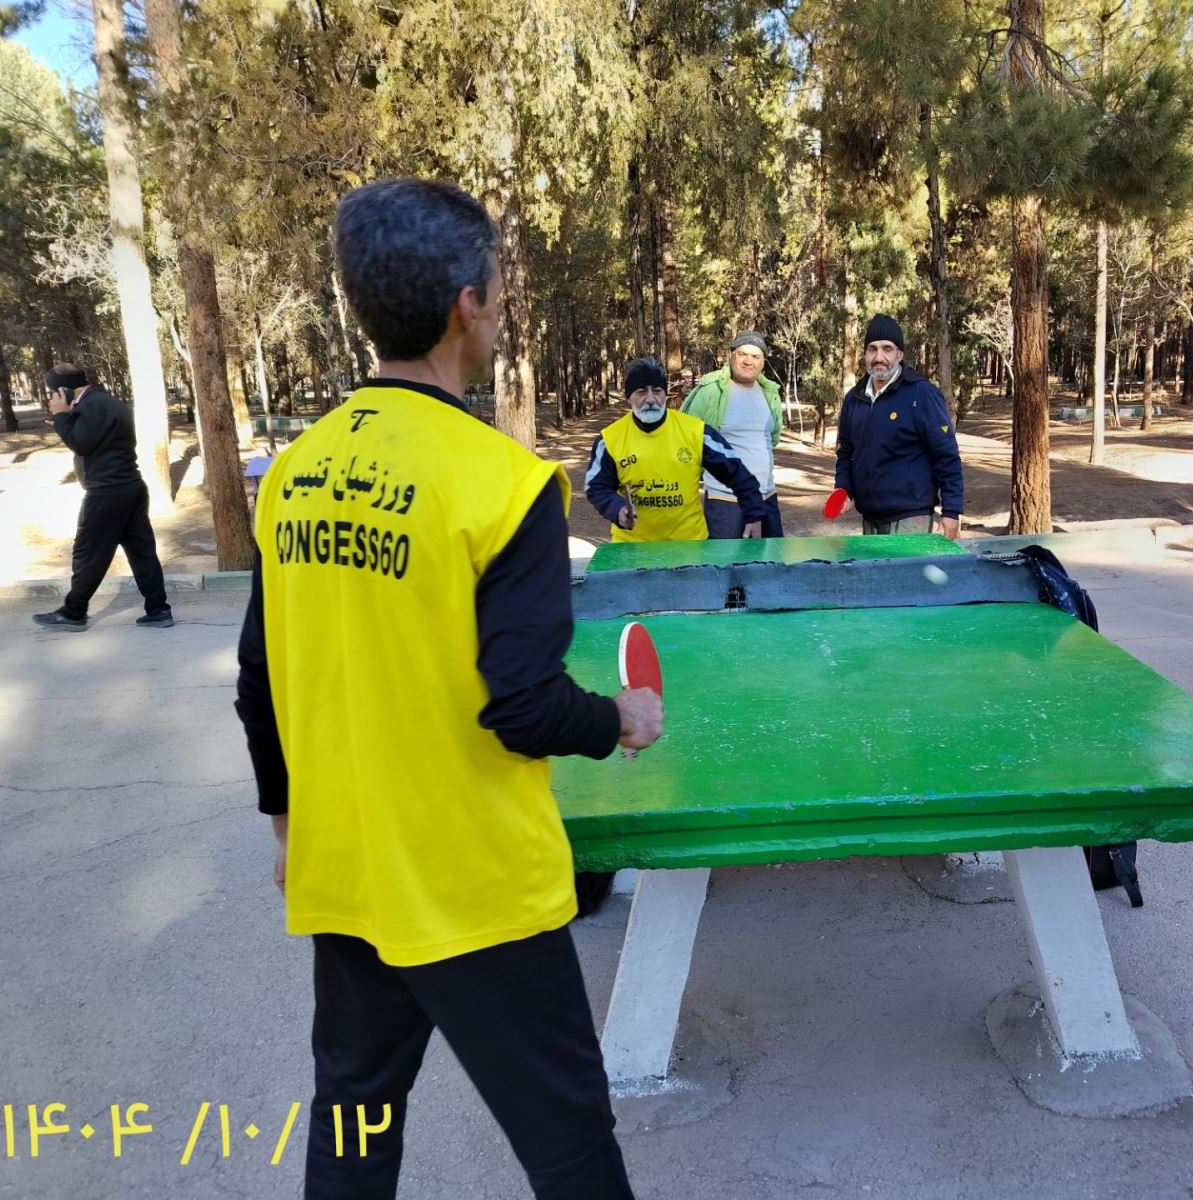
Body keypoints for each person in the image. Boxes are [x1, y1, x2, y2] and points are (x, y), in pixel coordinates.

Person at [234, 178, 660, 1200]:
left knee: (354, 1121)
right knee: (569, 1144)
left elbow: (258, 680)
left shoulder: (295, 474)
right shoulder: (502, 484)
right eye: (500, 282)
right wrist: (620, 719)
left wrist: (292, 831)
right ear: (469, 302)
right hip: (476, 887)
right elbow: (521, 707)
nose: (503, 301)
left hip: (348, 871)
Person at [31, 365, 172, 631]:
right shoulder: (106, 402)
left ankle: (74, 613)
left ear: (65, 390)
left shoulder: (93, 406)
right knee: (142, 554)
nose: (52, 399)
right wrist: (65, 421)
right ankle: (159, 610)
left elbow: (80, 443)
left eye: (54, 393)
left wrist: (61, 417)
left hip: (107, 492)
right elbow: (96, 439)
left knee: (88, 554)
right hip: (130, 487)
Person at [584, 356, 765, 542]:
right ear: (628, 396)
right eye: (641, 392)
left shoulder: (696, 432)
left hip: (689, 545)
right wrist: (617, 509)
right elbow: (596, 487)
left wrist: (754, 513)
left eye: (657, 391)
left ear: (665, 393)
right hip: (631, 547)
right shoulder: (610, 439)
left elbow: (737, 472)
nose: (650, 399)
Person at [834, 314, 963, 537]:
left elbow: (946, 455)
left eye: (887, 349)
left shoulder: (921, 394)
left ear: (900, 354)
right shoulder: (854, 399)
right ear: (865, 354)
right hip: (870, 518)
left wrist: (951, 511)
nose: (879, 357)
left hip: (911, 518)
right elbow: (846, 453)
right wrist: (844, 488)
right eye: (872, 349)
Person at [680, 331, 785, 538]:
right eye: (742, 354)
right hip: (725, 499)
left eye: (755, 356)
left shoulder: (770, 392)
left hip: (766, 495)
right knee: (726, 558)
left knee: (771, 556)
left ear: (763, 362)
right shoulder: (711, 390)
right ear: (732, 356)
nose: (748, 361)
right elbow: (685, 438)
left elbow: (772, 438)